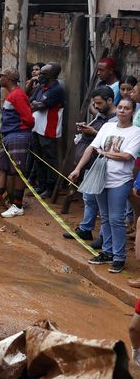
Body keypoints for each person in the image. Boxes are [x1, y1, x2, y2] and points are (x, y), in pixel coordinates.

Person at [70, 97, 140, 274]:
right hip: (100, 178)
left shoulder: (136, 132)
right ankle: (107, 252)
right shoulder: (107, 127)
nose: (122, 111)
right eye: (121, 107)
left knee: (117, 218)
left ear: (133, 112)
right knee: (106, 217)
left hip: (121, 180)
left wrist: (105, 153)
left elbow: (127, 156)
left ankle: (119, 257)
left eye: (126, 108)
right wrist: (78, 169)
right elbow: (91, 148)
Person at [64, 87, 116, 243]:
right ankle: (86, 229)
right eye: (95, 103)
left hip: (104, 165)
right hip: (91, 164)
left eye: (99, 103)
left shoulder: (114, 120)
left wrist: (93, 132)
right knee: (88, 198)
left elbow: (108, 143)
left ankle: (103, 237)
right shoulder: (101, 115)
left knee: (105, 208)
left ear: (109, 101)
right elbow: (91, 146)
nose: (97, 107)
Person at [0, 68, 35, 220]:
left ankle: (17, 205)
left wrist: (19, 130)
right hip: (8, 136)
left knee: (17, 171)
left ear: (8, 78)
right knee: (2, 169)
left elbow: (29, 119)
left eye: (1, 76)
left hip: (17, 135)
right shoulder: (12, 94)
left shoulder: (18, 95)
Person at [29, 63, 66, 197]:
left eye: (43, 74)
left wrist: (36, 104)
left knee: (49, 158)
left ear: (52, 76)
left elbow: (40, 105)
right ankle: (41, 185)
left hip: (48, 129)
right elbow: (31, 101)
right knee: (38, 157)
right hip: (36, 127)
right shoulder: (41, 87)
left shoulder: (57, 89)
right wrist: (35, 104)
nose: (40, 76)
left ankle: (51, 187)